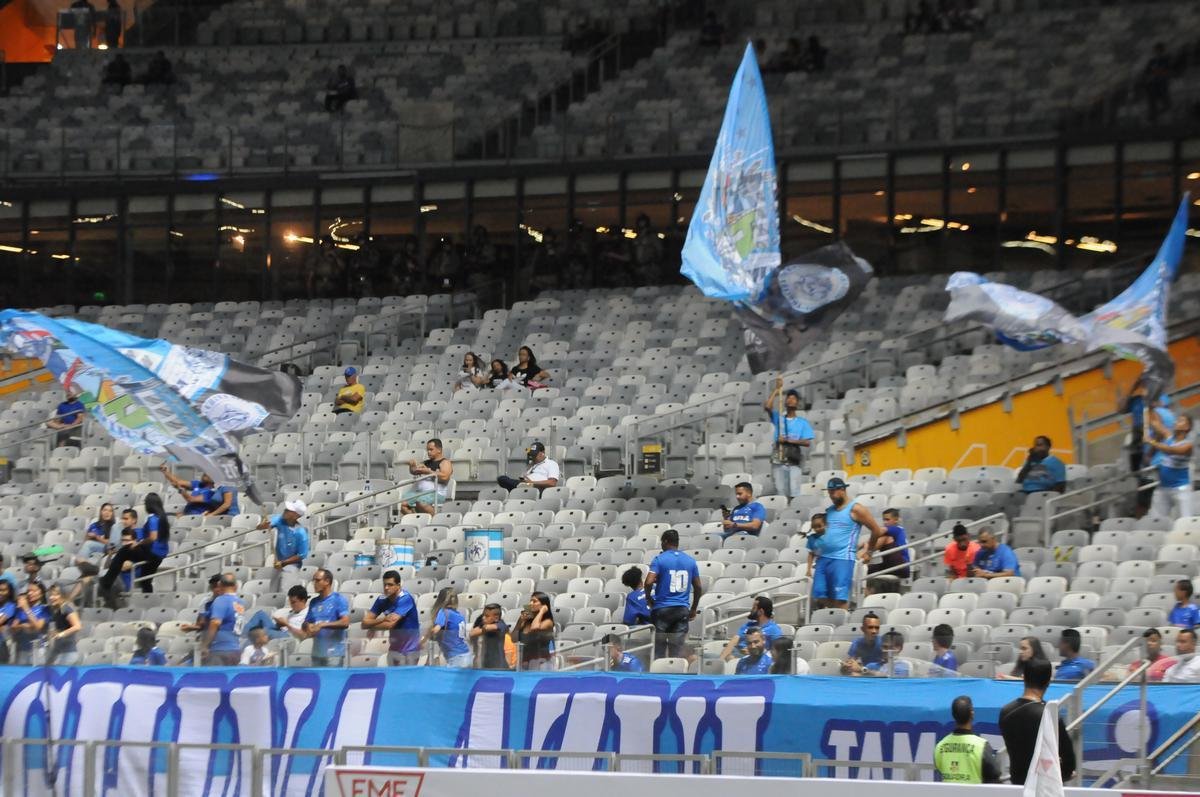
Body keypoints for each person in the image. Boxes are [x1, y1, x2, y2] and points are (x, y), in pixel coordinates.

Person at [1001, 658, 1077, 785]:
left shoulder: (1005, 712)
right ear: (1048, 681)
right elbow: (1069, 762)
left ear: (1023, 677)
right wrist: (1063, 774)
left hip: (1017, 786)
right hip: (1043, 787)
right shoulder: (1049, 715)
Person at [811, 478, 884, 610]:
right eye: (829, 492)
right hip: (824, 558)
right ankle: (840, 613)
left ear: (843, 490)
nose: (831, 495)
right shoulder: (830, 511)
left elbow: (876, 530)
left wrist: (870, 551)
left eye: (834, 492)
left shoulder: (856, 509)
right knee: (819, 594)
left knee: (840, 597)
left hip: (842, 558)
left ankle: (841, 620)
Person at [99, 495, 170, 603]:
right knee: (145, 581)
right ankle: (149, 603)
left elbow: (153, 537)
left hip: (152, 552)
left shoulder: (152, 519)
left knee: (124, 551)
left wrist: (138, 543)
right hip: (160, 555)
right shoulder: (162, 518)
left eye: (146, 503)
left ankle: (106, 582)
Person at [645, 529, 702, 660]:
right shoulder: (690, 561)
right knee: (676, 651)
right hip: (681, 609)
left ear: (665, 541)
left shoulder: (659, 559)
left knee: (659, 650)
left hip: (662, 608)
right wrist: (693, 608)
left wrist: (649, 599)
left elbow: (648, 582)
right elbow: (698, 587)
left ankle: (659, 677)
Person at [934, 695, 1002, 783]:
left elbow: (940, 767)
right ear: (972, 714)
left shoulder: (940, 746)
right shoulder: (981, 746)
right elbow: (994, 776)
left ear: (953, 715)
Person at [764, 378, 813, 498]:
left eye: (793, 398)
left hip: (793, 458)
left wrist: (788, 440)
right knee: (780, 491)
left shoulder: (802, 422)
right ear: (785, 402)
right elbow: (767, 407)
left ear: (797, 403)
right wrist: (777, 389)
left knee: (794, 490)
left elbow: (807, 442)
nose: (790, 399)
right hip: (778, 458)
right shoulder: (779, 418)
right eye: (788, 398)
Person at [363, 570, 421, 666]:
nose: (386, 588)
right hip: (394, 649)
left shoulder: (405, 599)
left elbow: (390, 624)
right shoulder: (381, 600)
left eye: (390, 585)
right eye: (385, 584)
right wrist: (383, 619)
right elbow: (364, 623)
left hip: (410, 650)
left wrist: (372, 626)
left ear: (398, 586)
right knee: (393, 679)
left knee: (406, 680)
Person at [1146, 414, 1193, 520]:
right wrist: (1148, 407)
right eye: (1176, 420)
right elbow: (1155, 423)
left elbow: (1172, 450)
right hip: (1163, 488)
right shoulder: (1169, 436)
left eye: (1180, 420)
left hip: (1181, 489)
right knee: (1156, 521)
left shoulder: (1188, 445)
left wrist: (1152, 441)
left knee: (1185, 522)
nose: (1176, 422)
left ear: (1187, 427)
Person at [256, 500, 309, 591]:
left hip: (291, 566)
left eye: (289, 510)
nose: (285, 510)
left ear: (296, 515)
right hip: (278, 565)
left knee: (285, 592)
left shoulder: (301, 533)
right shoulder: (280, 519)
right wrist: (263, 525)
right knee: (272, 591)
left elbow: (302, 555)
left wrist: (283, 563)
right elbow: (262, 527)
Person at [304, 569, 350, 667]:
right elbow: (307, 622)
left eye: (317, 580)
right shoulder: (313, 602)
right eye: (313, 580)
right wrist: (308, 626)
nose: (314, 583)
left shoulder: (338, 599)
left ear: (327, 581)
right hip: (317, 653)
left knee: (333, 681)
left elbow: (345, 622)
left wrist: (322, 625)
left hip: (334, 653)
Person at [401, 438, 453, 515]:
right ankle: (415, 521)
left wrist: (429, 472)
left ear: (439, 450)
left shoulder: (445, 462)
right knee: (402, 504)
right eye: (427, 450)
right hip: (420, 493)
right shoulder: (426, 462)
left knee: (421, 502)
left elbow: (445, 476)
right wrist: (412, 466)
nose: (428, 452)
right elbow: (414, 472)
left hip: (436, 493)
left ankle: (435, 520)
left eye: (431, 449)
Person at [721, 595, 782, 661]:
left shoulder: (774, 629)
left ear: (761, 611)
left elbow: (777, 651)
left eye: (754, 608)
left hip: (754, 658)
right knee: (710, 657)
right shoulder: (748, 624)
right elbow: (734, 641)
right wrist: (720, 660)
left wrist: (752, 651)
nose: (751, 610)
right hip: (735, 653)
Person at [203, 574, 245, 666]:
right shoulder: (240, 602)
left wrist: (205, 645)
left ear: (219, 585)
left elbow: (215, 622)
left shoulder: (221, 600)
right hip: (235, 648)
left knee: (215, 679)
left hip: (220, 649)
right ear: (236, 586)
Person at [243, 584, 310, 641]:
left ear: (303, 601)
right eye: (290, 602)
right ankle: (241, 637)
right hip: (280, 631)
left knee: (261, 632)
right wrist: (279, 624)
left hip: (290, 637)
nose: (291, 605)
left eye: (293, 602)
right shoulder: (293, 612)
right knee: (260, 614)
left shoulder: (309, 614)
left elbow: (304, 635)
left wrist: (287, 625)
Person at [426, 587, 473, 668]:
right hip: (466, 655)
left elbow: (436, 630)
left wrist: (425, 637)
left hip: (456, 658)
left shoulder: (444, 612)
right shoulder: (459, 615)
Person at [862, 508, 909, 578]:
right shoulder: (889, 531)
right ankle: (856, 562)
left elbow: (877, 531)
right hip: (888, 565)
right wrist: (860, 546)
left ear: (896, 520)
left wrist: (867, 549)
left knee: (885, 538)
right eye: (884, 520)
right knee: (864, 570)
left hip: (901, 566)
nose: (885, 522)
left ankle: (859, 558)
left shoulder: (897, 529)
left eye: (887, 520)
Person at [513, 592, 556, 670]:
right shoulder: (525, 621)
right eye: (530, 601)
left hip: (542, 663)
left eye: (534, 601)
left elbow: (534, 628)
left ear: (543, 605)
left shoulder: (548, 622)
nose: (530, 603)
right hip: (524, 663)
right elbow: (513, 638)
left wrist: (541, 612)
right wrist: (520, 622)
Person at [10, 582, 50, 664]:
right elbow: (13, 628)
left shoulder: (44, 609)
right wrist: (24, 626)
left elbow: (38, 627)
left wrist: (26, 608)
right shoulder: (21, 609)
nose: (30, 593)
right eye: (28, 591)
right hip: (22, 648)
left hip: (37, 649)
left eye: (34, 591)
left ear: (41, 593)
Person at [46, 584, 82, 666]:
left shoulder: (66, 609)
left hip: (68, 653)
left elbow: (77, 626)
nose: (51, 598)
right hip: (59, 651)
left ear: (62, 596)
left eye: (55, 595)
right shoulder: (57, 610)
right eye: (50, 595)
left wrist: (61, 634)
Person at [470, 603, 513, 670]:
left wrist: (484, 627)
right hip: (486, 665)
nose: (483, 617)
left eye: (487, 616)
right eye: (483, 615)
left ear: (496, 618)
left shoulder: (501, 625)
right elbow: (472, 633)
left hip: (499, 667)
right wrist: (483, 627)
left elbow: (489, 628)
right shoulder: (483, 624)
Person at [1143, 42, 1173, 122]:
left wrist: (1158, 73)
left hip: (1162, 84)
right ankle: (1152, 118)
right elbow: (1146, 72)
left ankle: (1158, 115)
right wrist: (1150, 77)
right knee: (1152, 104)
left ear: (1162, 50)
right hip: (1152, 85)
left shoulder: (1166, 59)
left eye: (1159, 50)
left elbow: (1168, 71)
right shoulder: (1151, 61)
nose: (1157, 52)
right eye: (1156, 50)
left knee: (1167, 104)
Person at [0, 580, 16, 664]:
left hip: (3, 645)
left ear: (9, 592)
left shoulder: (11, 606)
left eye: (4, 590)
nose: (1, 593)